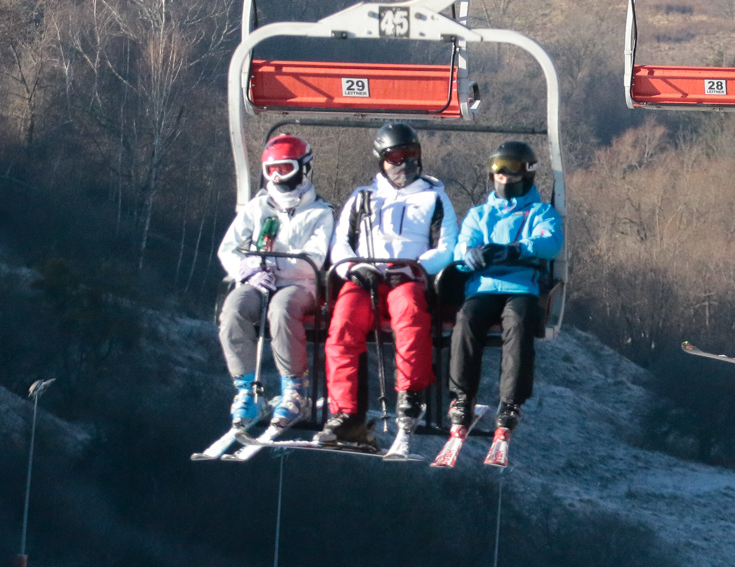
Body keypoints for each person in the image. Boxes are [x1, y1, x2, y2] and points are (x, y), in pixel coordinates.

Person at [319, 122, 458, 449]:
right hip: (366, 276)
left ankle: (410, 395)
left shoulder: (434, 198)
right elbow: (340, 243)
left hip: (406, 276)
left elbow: (446, 247)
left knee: (410, 316)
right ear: (381, 159)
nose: (404, 164)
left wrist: (417, 268)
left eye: (411, 155)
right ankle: (346, 414)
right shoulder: (362, 198)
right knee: (342, 327)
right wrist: (353, 268)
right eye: (395, 157)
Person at [440, 140, 564, 467]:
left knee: (519, 321)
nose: (504, 178)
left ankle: (510, 403)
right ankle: (462, 397)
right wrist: (470, 257)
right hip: (482, 286)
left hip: (521, 284)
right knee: (466, 320)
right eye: (499, 170)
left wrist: (518, 249)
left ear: (526, 173)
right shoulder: (479, 214)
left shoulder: (540, 212)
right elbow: (462, 248)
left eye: (511, 170)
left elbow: (550, 242)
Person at [215, 134, 334, 434]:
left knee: (281, 311)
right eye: (272, 170)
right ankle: (246, 389)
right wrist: (248, 270)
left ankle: (295, 388)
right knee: (234, 308)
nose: (279, 177)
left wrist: (273, 263)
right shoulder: (258, 208)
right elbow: (227, 248)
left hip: (299, 285)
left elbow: (315, 258)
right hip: (258, 281)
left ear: (303, 169)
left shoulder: (320, 213)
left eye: (286, 169)